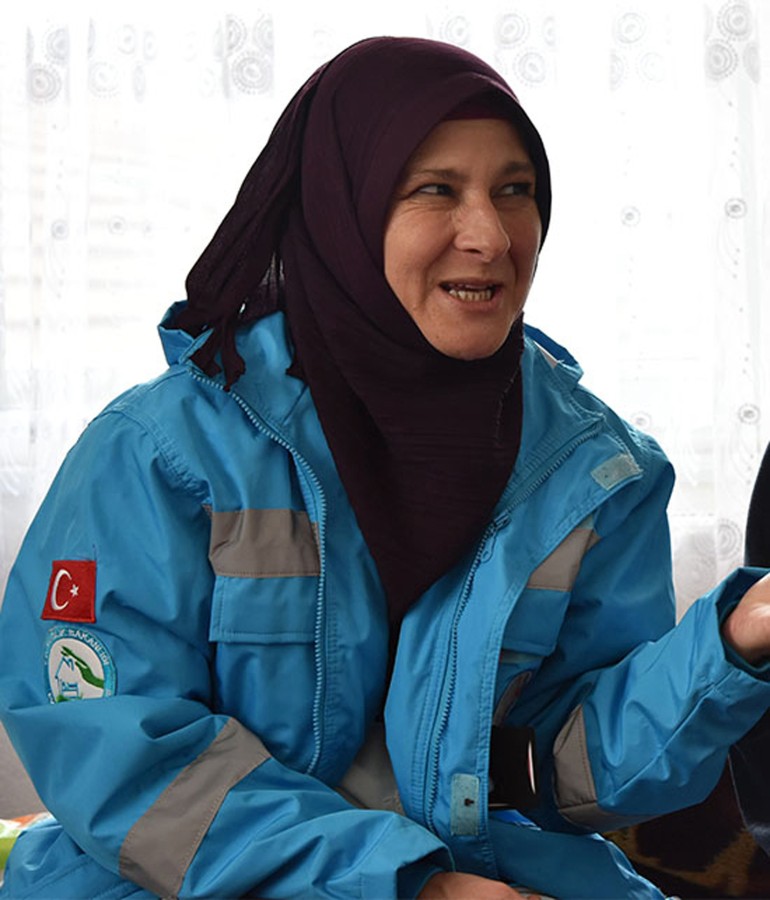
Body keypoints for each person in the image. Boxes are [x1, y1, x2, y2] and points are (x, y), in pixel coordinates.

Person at [0, 34, 769, 900]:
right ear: (343, 210)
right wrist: (407, 886)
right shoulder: (162, 451)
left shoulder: (593, 469)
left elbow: (556, 769)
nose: (490, 235)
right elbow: (118, 758)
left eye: (515, 191)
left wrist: (729, 647)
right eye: (435, 190)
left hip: (485, 873)